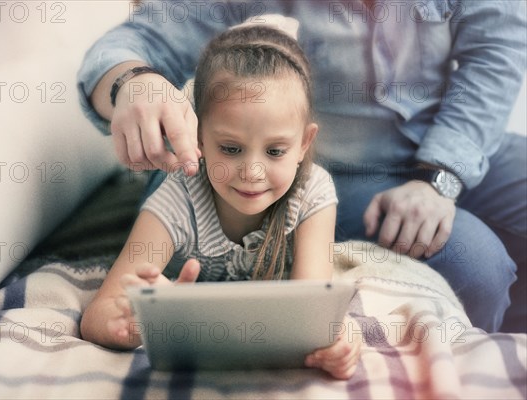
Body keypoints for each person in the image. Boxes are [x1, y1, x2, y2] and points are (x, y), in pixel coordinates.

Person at [77, 1, 526, 334]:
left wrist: (440, 176)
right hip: (338, 169)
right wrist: (131, 82)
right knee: (478, 263)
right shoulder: (198, 197)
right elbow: (136, 42)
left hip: (452, 134)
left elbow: (497, 54)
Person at [80, 24, 362, 380]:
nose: (252, 172)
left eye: (275, 151)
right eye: (232, 148)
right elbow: (98, 316)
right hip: (185, 170)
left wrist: (340, 342)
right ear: (196, 135)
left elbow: (313, 312)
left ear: (304, 143)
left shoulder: (313, 191)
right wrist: (140, 322)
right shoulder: (177, 199)